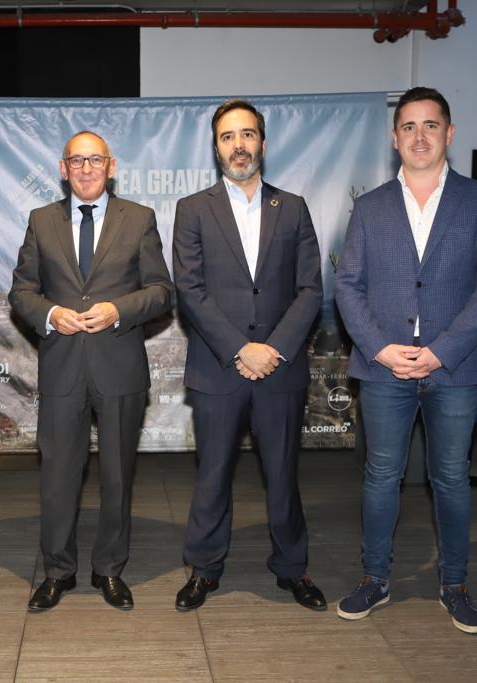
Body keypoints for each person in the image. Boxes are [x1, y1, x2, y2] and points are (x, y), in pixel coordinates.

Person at [334, 87, 477, 634]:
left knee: (452, 478)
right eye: (408, 126)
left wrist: (439, 352)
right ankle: (374, 579)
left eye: (430, 125)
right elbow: (348, 285)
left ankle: (454, 585)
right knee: (380, 476)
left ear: (449, 133)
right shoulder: (370, 207)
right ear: (395, 138)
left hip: (455, 368)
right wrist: (378, 347)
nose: (419, 136)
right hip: (384, 366)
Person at [172, 99, 326, 612]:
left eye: (247, 134)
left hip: (280, 370)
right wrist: (241, 349)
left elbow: (310, 289)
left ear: (262, 141)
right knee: (212, 474)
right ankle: (204, 569)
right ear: (216, 148)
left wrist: (273, 350)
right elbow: (190, 290)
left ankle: (292, 568)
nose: (238, 145)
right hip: (219, 367)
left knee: (282, 476)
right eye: (227, 136)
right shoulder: (193, 209)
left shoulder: (294, 208)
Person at [9, 131, 173, 611]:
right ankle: (57, 572)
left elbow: (161, 291)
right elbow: (21, 291)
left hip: (119, 365)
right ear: (63, 169)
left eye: (94, 160)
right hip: (62, 365)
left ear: (111, 166)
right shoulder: (41, 220)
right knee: (58, 476)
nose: (85, 169)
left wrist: (119, 310)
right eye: (76, 161)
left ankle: (109, 569)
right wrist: (51, 314)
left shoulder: (138, 218)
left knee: (118, 476)